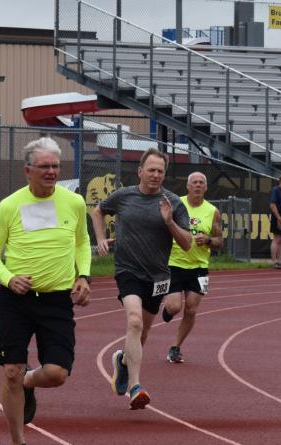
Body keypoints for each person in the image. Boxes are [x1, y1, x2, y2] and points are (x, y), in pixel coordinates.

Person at [0, 137, 92, 445]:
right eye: (44, 166)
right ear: (27, 170)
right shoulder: (10, 205)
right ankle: (18, 441)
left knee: (57, 374)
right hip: (15, 301)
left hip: (56, 300)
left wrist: (84, 276)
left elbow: (82, 243)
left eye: (56, 166)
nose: (51, 172)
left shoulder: (74, 202)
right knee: (11, 371)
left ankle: (31, 381)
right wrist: (8, 278)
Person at [91, 148, 192, 410]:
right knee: (134, 322)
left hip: (157, 276)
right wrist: (101, 238)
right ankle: (136, 387)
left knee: (144, 331)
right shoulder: (124, 196)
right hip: (127, 270)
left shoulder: (173, 203)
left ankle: (123, 361)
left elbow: (188, 243)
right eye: (151, 170)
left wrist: (169, 222)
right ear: (140, 172)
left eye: (160, 171)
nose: (156, 175)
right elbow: (97, 211)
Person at [161, 172, 223, 365]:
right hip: (174, 263)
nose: (197, 185)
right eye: (194, 182)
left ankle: (175, 347)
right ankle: (168, 311)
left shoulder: (212, 211)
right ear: (187, 186)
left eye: (201, 183)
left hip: (199, 266)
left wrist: (209, 240)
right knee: (174, 306)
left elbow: (220, 241)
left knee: (191, 309)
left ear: (205, 187)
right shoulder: (175, 203)